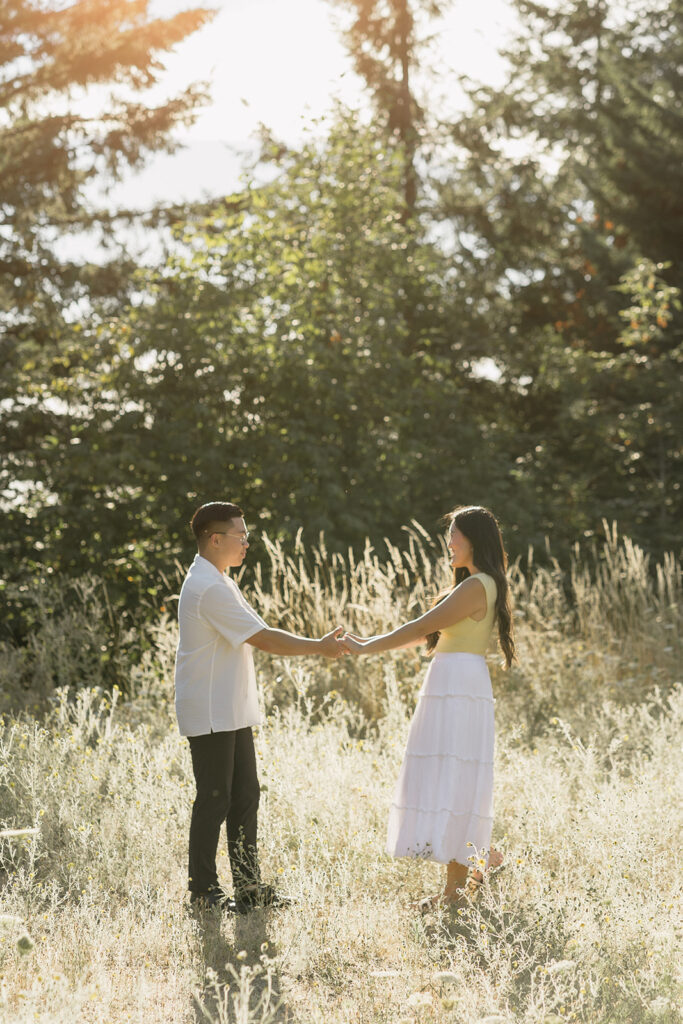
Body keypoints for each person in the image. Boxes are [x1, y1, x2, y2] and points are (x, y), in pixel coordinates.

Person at [341, 505, 515, 910]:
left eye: (454, 534)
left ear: (473, 539)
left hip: (457, 686)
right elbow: (428, 634)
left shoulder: (476, 586)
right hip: (454, 682)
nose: (449, 543)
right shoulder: (479, 583)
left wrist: (366, 645)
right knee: (451, 779)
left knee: (453, 780)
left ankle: (460, 887)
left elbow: (422, 626)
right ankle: (478, 864)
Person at [174, 501, 344, 914]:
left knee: (245, 794)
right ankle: (203, 892)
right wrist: (318, 648)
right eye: (240, 535)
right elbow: (264, 638)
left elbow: (259, 633)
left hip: (229, 709)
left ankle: (249, 888)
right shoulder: (208, 586)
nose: (247, 543)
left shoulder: (220, 580)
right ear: (215, 540)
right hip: (211, 711)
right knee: (214, 798)